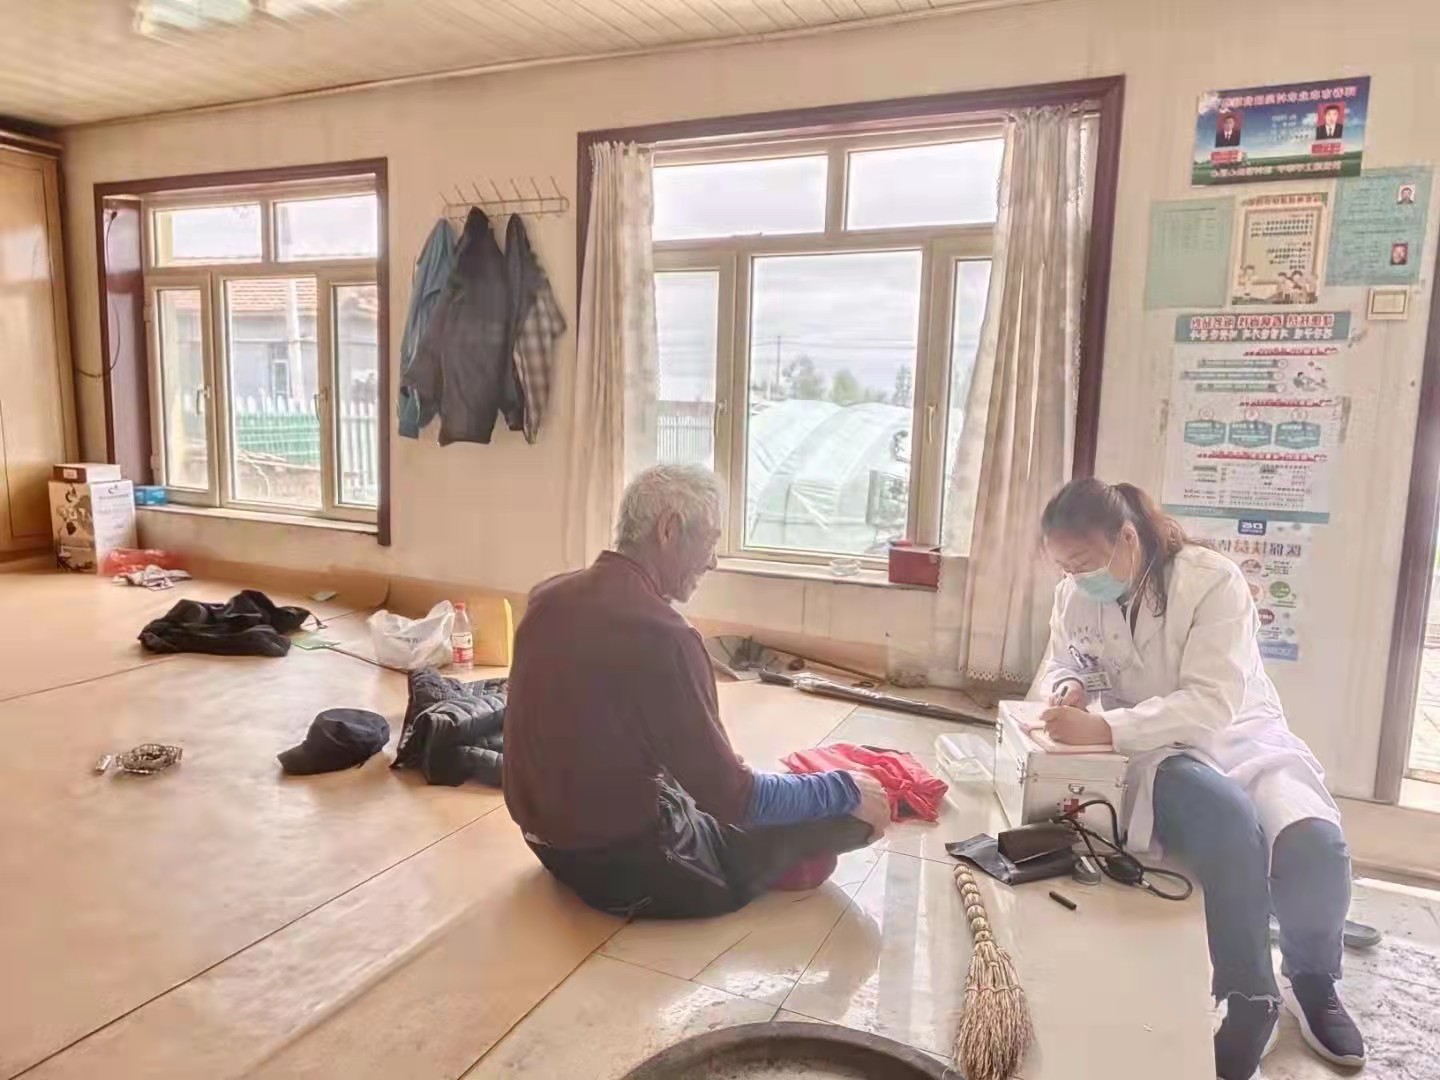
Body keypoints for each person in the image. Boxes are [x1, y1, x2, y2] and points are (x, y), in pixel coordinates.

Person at [1030, 479, 1364, 1080]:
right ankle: (1249, 995)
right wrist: (1069, 686)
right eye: (1064, 568)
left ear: (1126, 538)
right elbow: (1063, 659)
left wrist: (1102, 728)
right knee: (1226, 820)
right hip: (1157, 745)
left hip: (1239, 732)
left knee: (1314, 843)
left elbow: (1211, 701)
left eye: (1082, 563)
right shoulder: (1075, 594)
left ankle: (1313, 979)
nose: (1076, 578)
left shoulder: (1209, 581)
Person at [503, 464, 889, 919]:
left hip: (544, 845)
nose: (713, 561)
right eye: (711, 541)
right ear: (669, 529)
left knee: (721, 787)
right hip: (624, 867)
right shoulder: (666, 636)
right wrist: (842, 787)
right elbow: (735, 799)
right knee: (859, 816)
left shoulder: (547, 596)